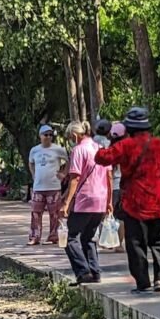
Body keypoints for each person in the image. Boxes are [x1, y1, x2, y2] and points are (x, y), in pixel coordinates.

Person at [96, 106, 160, 293]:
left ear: (129, 127)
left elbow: (101, 158)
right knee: (158, 241)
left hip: (134, 202)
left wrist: (109, 140)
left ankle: (143, 282)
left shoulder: (125, 145)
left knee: (136, 243)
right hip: (159, 201)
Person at [58, 120, 112, 284]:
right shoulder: (99, 149)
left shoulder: (78, 150)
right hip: (101, 200)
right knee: (88, 237)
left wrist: (66, 202)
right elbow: (109, 176)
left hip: (85, 199)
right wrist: (109, 201)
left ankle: (83, 271)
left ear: (75, 135)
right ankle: (95, 272)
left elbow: (75, 178)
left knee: (70, 237)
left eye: (69, 137)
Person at [28, 124, 68, 244]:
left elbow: (69, 160)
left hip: (54, 186)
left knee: (54, 213)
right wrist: (34, 175)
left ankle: (54, 236)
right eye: (46, 135)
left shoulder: (58, 149)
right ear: (40, 136)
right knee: (36, 212)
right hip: (38, 187)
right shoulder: (35, 150)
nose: (49, 137)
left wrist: (64, 174)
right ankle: (35, 236)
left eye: (51, 135)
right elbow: (31, 163)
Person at [108, 122, 127, 253]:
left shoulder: (111, 150)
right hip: (126, 186)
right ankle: (119, 243)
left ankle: (111, 242)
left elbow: (109, 172)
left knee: (112, 216)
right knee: (122, 217)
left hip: (114, 186)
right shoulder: (129, 148)